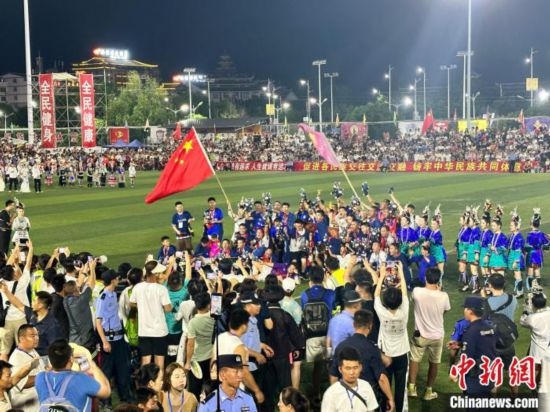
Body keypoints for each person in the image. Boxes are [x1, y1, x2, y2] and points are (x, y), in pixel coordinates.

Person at [329, 310, 395, 412]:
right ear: (370, 326)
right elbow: (381, 378)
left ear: (354, 324)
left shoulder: (341, 346)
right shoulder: (372, 348)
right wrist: (390, 398)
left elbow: (334, 376)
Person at [407, 268, 450, 401]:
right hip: (437, 335)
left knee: (415, 359)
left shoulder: (417, 292)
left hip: (420, 335)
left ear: (426, 278)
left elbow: (413, 300)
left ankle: (411, 388)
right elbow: (445, 311)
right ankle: (428, 391)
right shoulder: (444, 296)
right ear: (438, 280)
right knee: (434, 363)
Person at [35, 339, 111, 411]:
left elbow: (53, 369)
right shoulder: (80, 379)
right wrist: (93, 366)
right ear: (71, 359)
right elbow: (106, 391)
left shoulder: (40, 378)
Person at [374, 262, 409, 412]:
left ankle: (386, 408)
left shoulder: (382, 313)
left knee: (385, 385)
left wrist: (381, 276)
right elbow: (405, 292)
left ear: (385, 301)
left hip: (386, 355)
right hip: (402, 354)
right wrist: (401, 272)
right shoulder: (404, 311)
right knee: (400, 387)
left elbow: (376, 295)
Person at [95, 269, 132, 405]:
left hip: (119, 338)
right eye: (117, 278)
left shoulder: (113, 294)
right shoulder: (103, 298)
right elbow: (98, 322)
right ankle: (105, 402)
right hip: (109, 341)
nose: (118, 280)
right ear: (112, 281)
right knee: (107, 372)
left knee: (123, 369)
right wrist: (104, 342)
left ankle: (125, 398)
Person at [300, 265, 335, 405]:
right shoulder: (330, 293)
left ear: (310, 278)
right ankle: (333, 395)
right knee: (331, 366)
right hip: (328, 334)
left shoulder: (305, 294)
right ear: (323, 277)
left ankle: (316, 394)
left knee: (317, 366)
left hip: (311, 334)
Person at [213, 309, 264, 405]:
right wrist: (257, 391)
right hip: (236, 390)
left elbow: (213, 361)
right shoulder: (239, 346)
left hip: (221, 386)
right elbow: (244, 373)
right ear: (244, 326)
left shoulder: (220, 337)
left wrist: (256, 354)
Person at [129, 260, 173, 370]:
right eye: (159, 273)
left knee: (145, 361)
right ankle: (159, 380)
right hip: (159, 331)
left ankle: (144, 380)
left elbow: (131, 304)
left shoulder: (137, 287)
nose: (161, 274)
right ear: (155, 274)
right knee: (159, 363)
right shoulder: (161, 289)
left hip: (144, 331)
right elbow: (168, 309)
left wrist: (142, 307)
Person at [451, 296, 497, 401]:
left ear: (470, 311)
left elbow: (467, 358)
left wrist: (455, 371)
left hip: (475, 378)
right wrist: (461, 344)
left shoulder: (470, 331)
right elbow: (485, 344)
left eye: (465, 308)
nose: (464, 311)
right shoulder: (490, 327)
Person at [0, 242, 33, 362]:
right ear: (13, 274)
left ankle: (2, 373)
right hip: (21, 320)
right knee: (23, 351)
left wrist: (15, 252)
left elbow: (7, 267)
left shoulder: (2, 283)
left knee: (4, 353)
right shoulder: (21, 283)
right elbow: (28, 265)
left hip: (6, 321)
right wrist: (30, 248)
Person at [321, 346, 379, 412]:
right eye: (348, 368)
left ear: (360, 367)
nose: (352, 372)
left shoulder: (366, 386)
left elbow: (371, 410)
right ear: (340, 369)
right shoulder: (331, 393)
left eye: (355, 368)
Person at [185, 292, 215, 400]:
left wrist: (187, 362)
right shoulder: (214, 318)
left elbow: (190, 345)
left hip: (197, 360)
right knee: (210, 388)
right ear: (209, 305)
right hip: (211, 358)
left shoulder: (193, 322)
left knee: (195, 390)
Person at [63, 260, 97, 352]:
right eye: (77, 289)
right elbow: (92, 285)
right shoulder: (81, 300)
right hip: (85, 341)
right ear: (75, 291)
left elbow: (78, 284)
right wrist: (92, 269)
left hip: (73, 341)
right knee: (89, 360)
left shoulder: (64, 300)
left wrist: (84, 272)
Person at [8, 324, 43, 410]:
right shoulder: (16, 358)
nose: (36, 338)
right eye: (32, 336)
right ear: (22, 338)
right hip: (26, 406)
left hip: (38, 403)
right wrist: (44, 376)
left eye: (37, 335)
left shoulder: (32, 350)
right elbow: (22, 383)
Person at [327, 290, 362, 355]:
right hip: (349, 358)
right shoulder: (353, 323)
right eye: (360, 304)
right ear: (356, 305)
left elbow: (329, 343)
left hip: (335, 357)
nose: (361, 306)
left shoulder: (333, 320)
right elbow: (359, 345)